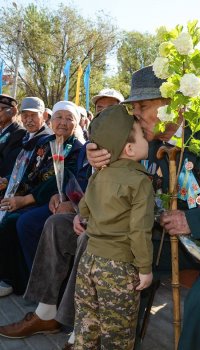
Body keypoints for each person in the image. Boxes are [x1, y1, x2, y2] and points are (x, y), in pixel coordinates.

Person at [87, 65, 200, 350]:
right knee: (115, 262)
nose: (135, 115)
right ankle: (103, 340)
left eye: (143, 106)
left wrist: (191, 221)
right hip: (171, 243)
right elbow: (116, 170)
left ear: (174, 104)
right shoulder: (144, 143)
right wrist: (98, 155)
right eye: (133, 108)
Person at [0, 89, 125, 344]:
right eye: (100, 108)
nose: (104, 113)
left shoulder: (128, 143)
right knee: (52, 223)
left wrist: (69, 204)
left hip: (112, 220)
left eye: (111, 108)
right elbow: (78, 182)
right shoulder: (86, 145)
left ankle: (80, 324)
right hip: (77, 210)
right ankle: (45, 308)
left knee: (33, 221)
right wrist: (67, 199)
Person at [73, 104, 154, 349]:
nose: (147, 136)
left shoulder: (99, 174)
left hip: (89, 262)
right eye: (143, 134)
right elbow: (139, 230)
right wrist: (145, 268)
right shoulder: (140, 183)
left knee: (86, 328)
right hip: (119, 268)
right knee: (117, 335)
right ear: (129, 148)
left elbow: (84, 210)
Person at [0, 100, 82, 296]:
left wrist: (26, 199)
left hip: (54, 201)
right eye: (58, 117)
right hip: (30, 196)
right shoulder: (44, 142)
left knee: (20, 221)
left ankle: (25, 281)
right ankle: (11, 276)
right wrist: (14, 191)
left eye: (69, 118)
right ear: (51, 120)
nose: (62, 122)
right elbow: (28, 172)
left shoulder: (77, 148)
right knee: (6, 214)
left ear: (76, 123)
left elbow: (60, 182)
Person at [0, 94, 26, 177]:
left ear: (13, 111)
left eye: (0, 109)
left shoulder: (19, 133)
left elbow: (6, 164)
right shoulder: (2, 131)